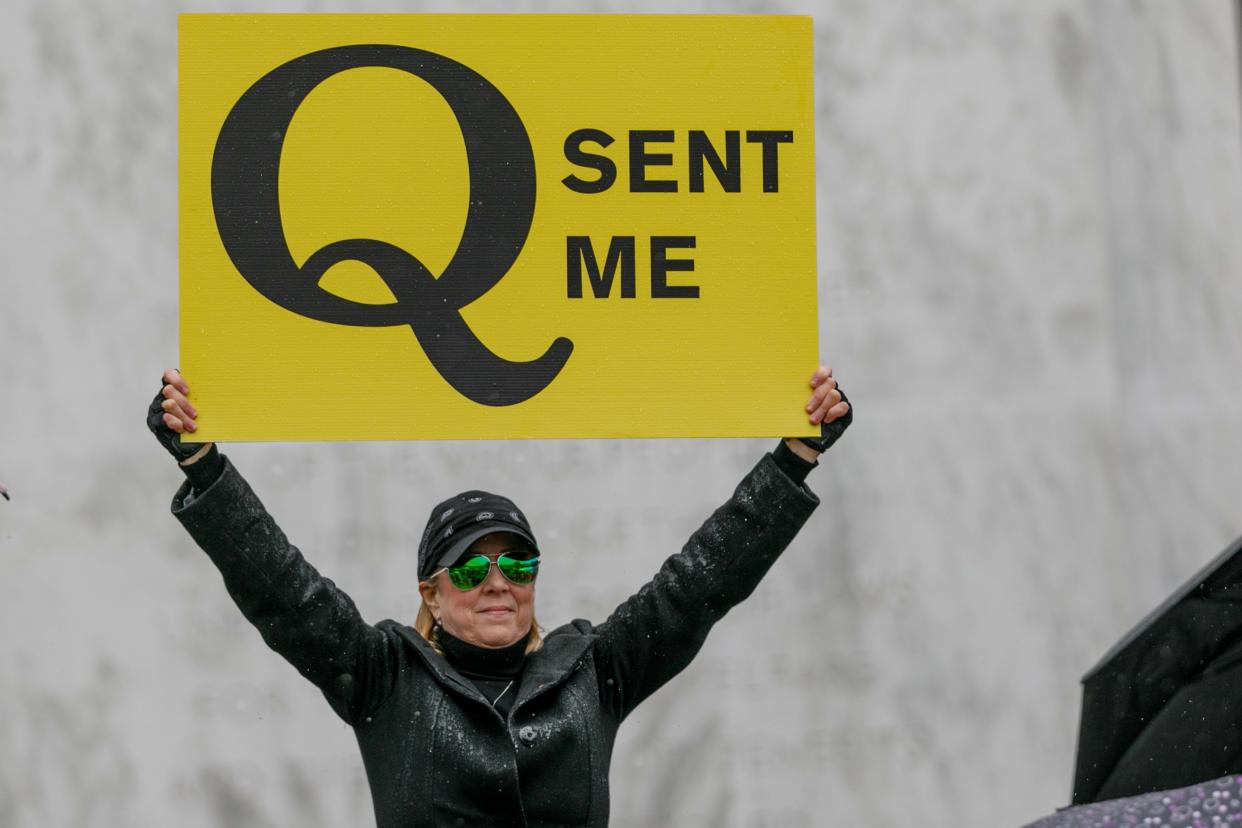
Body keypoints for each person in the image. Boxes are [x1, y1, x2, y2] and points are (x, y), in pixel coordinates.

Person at [147, 365, 852, 828]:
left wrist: (794, 457)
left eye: (517, 562)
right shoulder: (381, 676)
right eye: (468, 568)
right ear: (431, 591)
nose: (496, 581)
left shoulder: (594, 671)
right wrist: (203, 466)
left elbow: (701, 581)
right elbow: (279, 585)